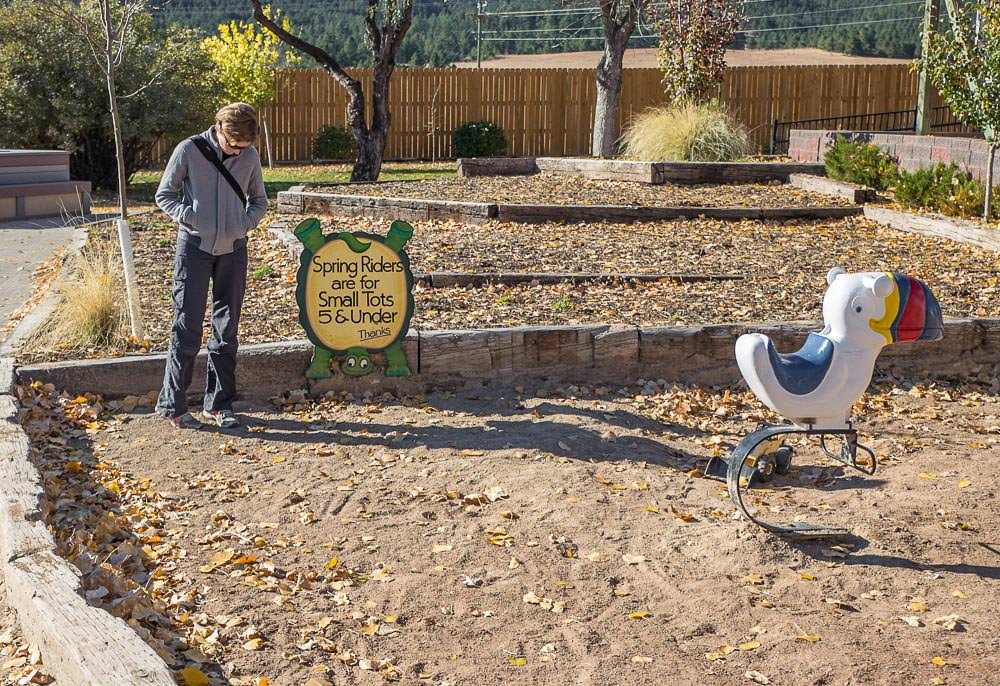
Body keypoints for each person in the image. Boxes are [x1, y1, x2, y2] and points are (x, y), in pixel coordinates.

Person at [154, 102, 268, 429]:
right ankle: (173, 406)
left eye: (243, 147)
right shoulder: (188, 150)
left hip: (233, 249)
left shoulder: (249, 156)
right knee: (187, 325)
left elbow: (259, 200)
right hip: (194, 248)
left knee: (226, 328)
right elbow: (165, 195)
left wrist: (243, 224)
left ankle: (219, 405)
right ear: (219, 128)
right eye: (232, 145)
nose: (236, 152)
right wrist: (192, 219)